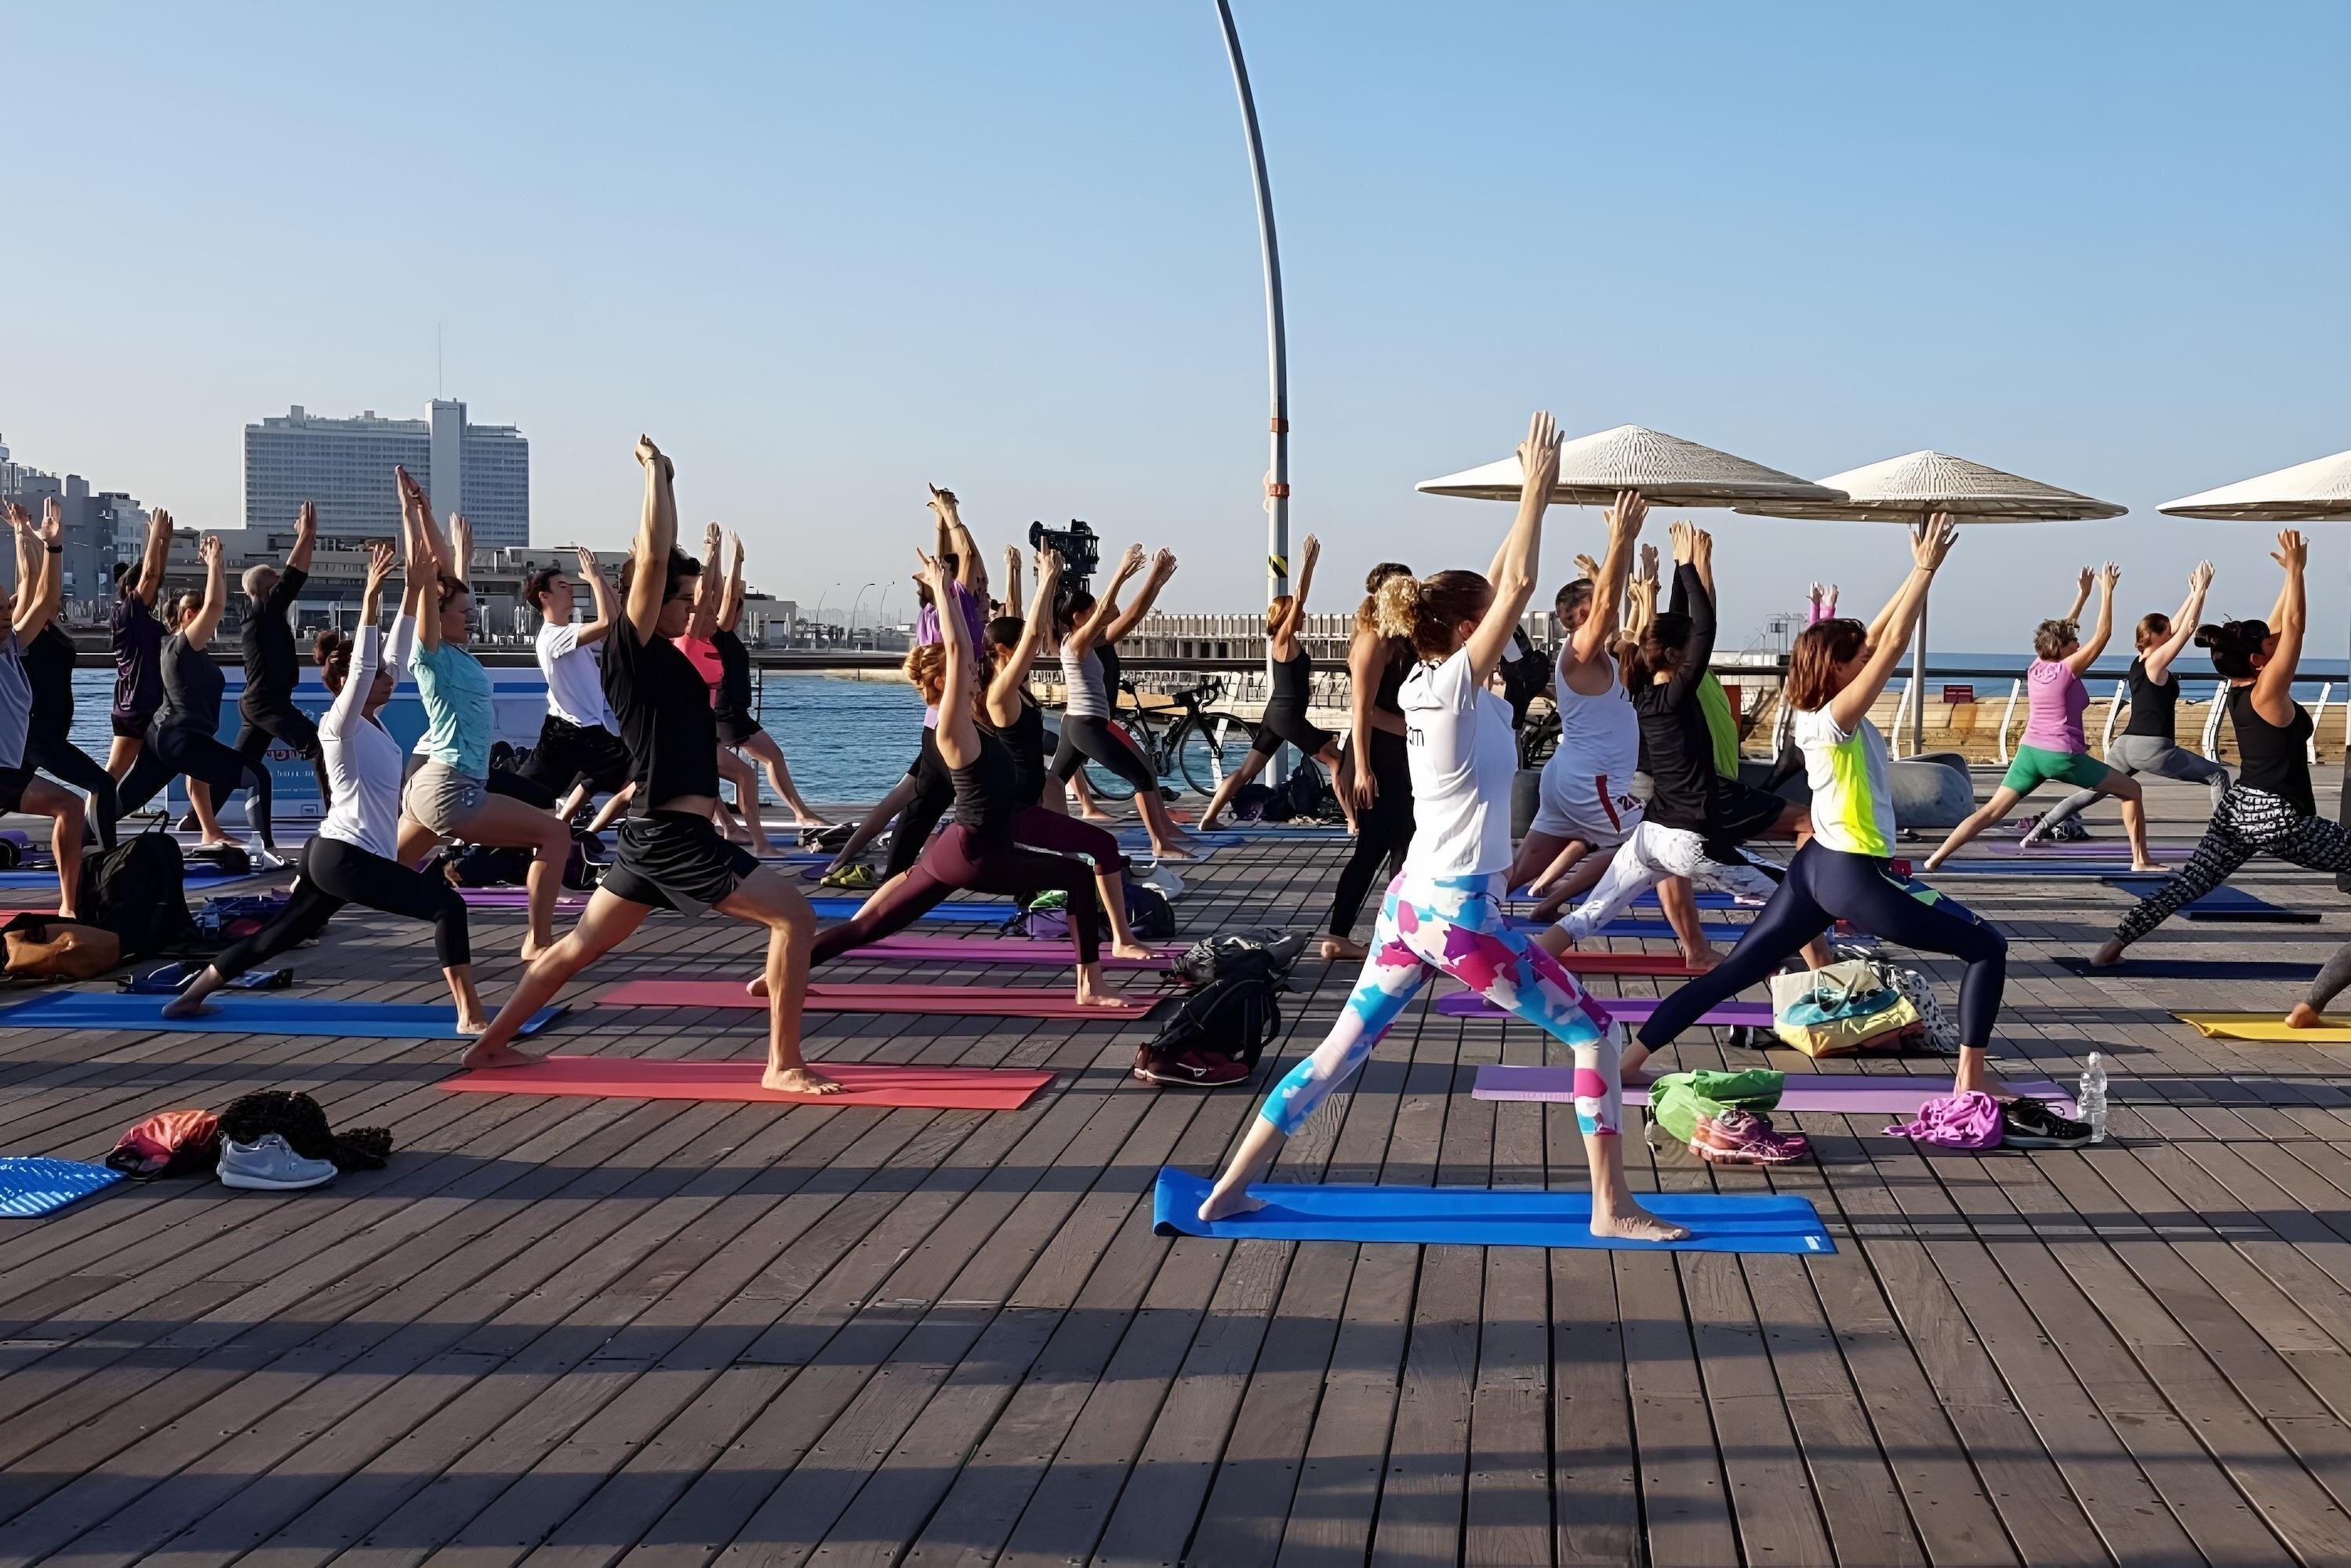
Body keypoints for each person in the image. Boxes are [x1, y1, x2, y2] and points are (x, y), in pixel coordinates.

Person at [1195, 412, 1685, 1241]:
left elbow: (1496, 579)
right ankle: (1612, 1207)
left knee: (1335, 1054)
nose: (1507, 626)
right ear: (1467, 632)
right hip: (1459, 915)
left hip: (1410, 905)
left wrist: (1528, 505)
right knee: (1597, 1035)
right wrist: (1538, 490)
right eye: (1489, 621)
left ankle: (1228, 1190)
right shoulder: (1458, 687)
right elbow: (1516, 584)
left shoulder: (1425, 682)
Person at [1627, 521, 2086, 1145]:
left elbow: (1876, 637)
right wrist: (1925, 571)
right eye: (1858, 661)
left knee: (1733, 973)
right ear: (1838, 669)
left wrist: (1914, 575)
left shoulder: (1815, 711)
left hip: (1816, 868)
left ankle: (1630, 1059)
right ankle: (1972, 1080)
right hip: (1851, 873)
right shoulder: (1834, 720)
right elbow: (1891, 645)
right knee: (1988, 948)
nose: (1869, 662)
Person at [460, 437, 834, 1089]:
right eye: (680, 600)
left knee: (577, 948)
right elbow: (654, 556)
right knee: (795, 917)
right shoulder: (630, 652)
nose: (690, 609)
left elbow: (679, 574)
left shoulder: (669, 651)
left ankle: (490, 1046)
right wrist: (656, 476)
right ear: (649, 598)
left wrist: (684, 508)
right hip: (672, 837)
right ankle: (783, 1064)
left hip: (653, 834)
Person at [163, 543, 486, 1029]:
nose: (391, 679)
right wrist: (372, 596)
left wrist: (413, 589)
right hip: (347, 856)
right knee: (447, 907)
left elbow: (394, 652)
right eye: (380, 676)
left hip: (335, 852)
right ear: (352, 682)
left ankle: (191, 996)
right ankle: (469, 1015)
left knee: (281, 934)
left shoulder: (373, 718)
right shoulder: (341, 723)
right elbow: (367, 667)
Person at [794, 548, 1132, 1007]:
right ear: (944, 685)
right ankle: (1089, 986)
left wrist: (961, 596)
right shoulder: (951, 731)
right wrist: (943, 592)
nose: (976, 675)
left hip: (956, 846)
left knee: (871, 926)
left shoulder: (971, 722)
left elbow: (978, 647)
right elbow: (957, 650)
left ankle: (780, 974)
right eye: (968, 673)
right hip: (976, 852)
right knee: (1075, 875)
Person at [1536, 523, 1831, 978]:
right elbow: (1704, 626)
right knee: (1798, 899)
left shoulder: (1640, 692)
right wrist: (1687, 565)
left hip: (1650, 835)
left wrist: (1681, 569)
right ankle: (1828, 983)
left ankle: (1518, 967)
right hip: (1690, 841)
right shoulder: (1676, 697)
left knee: (1589, 916)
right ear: (1677, 657)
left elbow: (1678, 626)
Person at [2091, 532, 2349, 969]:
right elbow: (2295, 629)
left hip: (2240, 808)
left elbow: (2277, 630)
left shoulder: (2240, 686)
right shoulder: (2268, 692)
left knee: (2190, 883)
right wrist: (2298, 573)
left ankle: (2112, 946)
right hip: (2279, 818)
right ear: (2258, 661)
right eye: (2269, 647)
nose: (2276, 643)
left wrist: (2288, 577)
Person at [390, 468, 573, 959]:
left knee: (376, 873)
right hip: (450, 789)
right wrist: (410, 516)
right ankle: (538, 941)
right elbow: (427, 578)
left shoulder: (457, 653)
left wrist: (426, 510)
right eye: (464, 614)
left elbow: (446, 577)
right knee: (555, 833)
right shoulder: (431, 654)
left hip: (437, 785)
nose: (472, 618)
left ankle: (300, 915)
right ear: (438, 616)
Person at [979, 546, 1157, 963]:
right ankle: (1116, 937)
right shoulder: (1000, 693)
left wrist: (1027, 575)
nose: (1033, 647)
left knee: (1085, 839)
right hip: (1007, 813)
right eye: (1021, 645)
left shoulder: (1018, 686)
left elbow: (1026, 624)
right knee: (922, 884)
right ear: (1004, 651)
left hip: (1026, 803)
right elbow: (1030, 633)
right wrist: (1047, 580)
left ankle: (1115, 939)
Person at [1924, 564, 2159, 873]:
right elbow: (2103, 635)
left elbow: (2061, 630)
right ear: (2062, 649)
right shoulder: (2065, 671)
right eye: (2073, 642)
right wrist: (2108, 593)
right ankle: (2140, 860)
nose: (2078, 643)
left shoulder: (2037, 667)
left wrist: (2082, 595)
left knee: (1991, 811)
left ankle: (1935, 858)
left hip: (2030, 753)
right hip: (2061, 757)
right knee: (2132, 790)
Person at [812, 487, 990, 889]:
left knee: (909, 803)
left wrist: (940, 522)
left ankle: (845, 861)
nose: (981, 588)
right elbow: (968, 558)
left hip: (935, 724)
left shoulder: (931, 612)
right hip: (953, 725)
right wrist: (951, 514)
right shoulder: (958, 608)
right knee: (960, 806)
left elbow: (953, 562)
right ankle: (897, 876)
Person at [2021, 561, 2229, 844]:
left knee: (2093, 792)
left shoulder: (2139, 662)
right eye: (2166, 633)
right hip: (2153, 748)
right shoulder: (2156, 663)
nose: (2171, 634)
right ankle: (2223, 838)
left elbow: (2175, 626)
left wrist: (2192, 594)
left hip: (2124, 745)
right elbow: (2188, 627)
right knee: (2218, 775)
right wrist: (2202, 590)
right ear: (2157, 638)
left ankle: (2039, 829)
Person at [1506, 491, 1646, 906]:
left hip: (1569, 778)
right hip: (1592, 783)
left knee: (1520, 869)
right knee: (1656, 842)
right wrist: (1619, 537)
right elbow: (1607, 603)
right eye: (1582, 616)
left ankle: (1471, 913)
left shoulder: (1605, 654)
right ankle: (1554, 908)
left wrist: (1624, 547)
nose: (1601, 615)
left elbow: (1616, 609)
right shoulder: (1580, 653)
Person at [114, 532, 279, 861]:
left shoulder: (181, 648)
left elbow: (213, 606)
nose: (204, 613)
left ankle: (76, 834)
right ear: (182, 617)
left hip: (167, 738)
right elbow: (216, 605)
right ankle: (267, 851)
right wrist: (215, 563)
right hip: (178, 738)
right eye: (195, 610)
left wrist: (215, 566)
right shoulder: (181, 646)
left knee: (123, 801)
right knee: (257, 777)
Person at [1193, 534, 1357, 833]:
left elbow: (1300, 602)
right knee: (1336, 761)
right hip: (1286, 717)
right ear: (1286, 615)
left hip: (1277, 715)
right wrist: (1308, 563)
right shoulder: (1283, 639)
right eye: (1296, 612)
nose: (1303, 614)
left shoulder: (1284, 641)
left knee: (1247, 771)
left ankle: (1208, 818)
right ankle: (1353, 821)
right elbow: (1300, 597)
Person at [1049, 543, 1198, 860]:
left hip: (1081, 723)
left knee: (1053, 781)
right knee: (1141, 776)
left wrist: (1156, 580)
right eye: (1093, 612)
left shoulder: (1088, 640)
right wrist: (1121, 571)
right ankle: (1160, 843)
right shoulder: (1076, 643)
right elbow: (1108, 607)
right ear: (1078, 618)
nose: (1101, 613)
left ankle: (1031, 833)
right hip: (1086, 726)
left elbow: (1132, 616)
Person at [1321, 561, 1417, 960]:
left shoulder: (1396, 637)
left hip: (1395, 755)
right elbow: (1362, 711)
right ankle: (1388, 937)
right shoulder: (1374, 640)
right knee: (1390, 845)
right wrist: (1362, 769)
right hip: (1379, 758)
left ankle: (1354, 935)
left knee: (1390, 845)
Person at [0, 503, 90, 916]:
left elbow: (43, 600)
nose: (8, 617)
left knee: (69, 807)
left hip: (10, 768)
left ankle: (69, 907)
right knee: (69, 805)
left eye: (7, 610)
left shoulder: (13, 648)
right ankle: (69, 905)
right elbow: (29, 590)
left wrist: (52, 547)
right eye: (0, 612)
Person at [710, 533, 827, 832]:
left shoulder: (724, 635)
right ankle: (792, 816)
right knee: (764, 759)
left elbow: (727, 593)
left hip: (733, 711)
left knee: (768, 758)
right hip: (726, 712)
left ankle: (794, 813)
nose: (739, 611)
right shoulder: (717, 632)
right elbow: (726, 599)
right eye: (737, 607)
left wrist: (726, 557)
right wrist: (736, 560)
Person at [518, 546, 636, 830]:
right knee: (636, 772)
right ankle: (600, 830)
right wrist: (595, 578)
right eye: (562, 585)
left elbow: (615, 624)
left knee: (596, 775)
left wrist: (602, 579)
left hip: (580, 731)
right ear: (544, 596)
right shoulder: (553, 637)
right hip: (572, 732)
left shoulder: (570, 632)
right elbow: (607, 622)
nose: (570, 589)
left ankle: (568, 826)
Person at [235, 500, 331, 805]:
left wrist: (307, 536)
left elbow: (290, 578)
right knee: (320, 746)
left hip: (262, 703)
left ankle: (197, 817)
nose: (281, 586)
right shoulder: (263, 612)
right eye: (275, 582)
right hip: (266, 704)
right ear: (266, 590)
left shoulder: (262, 616)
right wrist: (306, 535)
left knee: (237, 767)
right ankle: (336, 811)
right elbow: (293, 576)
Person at [24, 595, 118, 852]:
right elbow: (35, 586)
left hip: (50, 735)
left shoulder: (51, 627)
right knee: (102, 784)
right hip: (37, 736)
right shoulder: (25, 632)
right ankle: (109, 856)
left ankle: (102, 852)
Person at [107, 506, 173, 781]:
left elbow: (155, 576)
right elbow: (150, 576)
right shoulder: (126, 612)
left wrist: (163, 543)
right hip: (134, 707)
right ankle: (90, 810)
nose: (155, 594)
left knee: (143, 774)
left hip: (149, 704)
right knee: (112, 774)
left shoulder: (138, 614)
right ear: (131, 589)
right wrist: (154, 537)